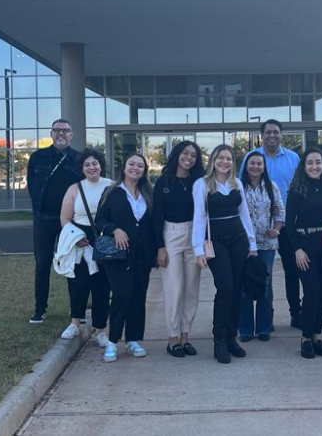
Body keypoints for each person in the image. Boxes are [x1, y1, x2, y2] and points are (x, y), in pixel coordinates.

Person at [192, 144, 259, 364]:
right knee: (226, 287)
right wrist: (198, 249)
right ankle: (219, 339)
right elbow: (199, 217)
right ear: (213, 160)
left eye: (229, 159)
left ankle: (231, 337)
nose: (225, 162)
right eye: (220, 158)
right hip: (216, 241)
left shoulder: (236, 183)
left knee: (237, 289)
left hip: (238, 239)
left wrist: (252, 244)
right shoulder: (201, 184)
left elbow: (245, 215)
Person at [95, 153, 157, 362]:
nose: (136, 168)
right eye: (132, 164)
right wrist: (115, 229)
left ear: (144, 170)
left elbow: (153, 224)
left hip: (143, 254)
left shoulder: (148, 192)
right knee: (122, 295)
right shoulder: (112, 192)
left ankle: (133, 340)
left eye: (140, 165)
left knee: (138, 297)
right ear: (124, 167)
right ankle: (113, 342)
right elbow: (100, 220)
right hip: (119, 255)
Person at [241, 119, 301, 329]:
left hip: (286, 223)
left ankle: (296, 313)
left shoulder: (293, 158)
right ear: (262, 135)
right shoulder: (252, 157)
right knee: (256, 274)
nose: (272, 135)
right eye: (268, 132)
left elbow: (300, 190)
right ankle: (267, 319)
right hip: (254, 232)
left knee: (292, 270)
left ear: (281, 134)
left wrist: (280, 225)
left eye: (276, 132)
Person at [153, 141, 205, 358]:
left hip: (194, 235)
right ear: (177, 154)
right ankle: (172, 337)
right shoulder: (163, 181)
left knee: (191, 290)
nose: (189, 158)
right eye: (186, 153)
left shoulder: (199, 182)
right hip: (172, 234)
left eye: (194, 155)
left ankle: (185, 336)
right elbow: (156, 216)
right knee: (174, 288)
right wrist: (160, 247)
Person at [285, 147, 322, 359]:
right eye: (310, 163)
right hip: (304, 247)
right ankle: (305, 337)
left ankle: (317, 335)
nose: (314, 166)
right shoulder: (297, 191)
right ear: (303, 166)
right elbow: (289, 224)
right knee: (312, 292)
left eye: (318, 162)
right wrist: (297, 249)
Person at [27, 118, 80, 324]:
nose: (61, 134)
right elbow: (32, 185)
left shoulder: (78, 159)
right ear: (51, 134)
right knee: (42, 264)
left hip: (70, 221)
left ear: (71, 135)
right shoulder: (38, 157)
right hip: (43, 219)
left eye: (65, 131)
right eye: (57, 130)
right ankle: (40, 309)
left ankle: (76, 310)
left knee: (72, 264)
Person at [58, 149, 112, 347]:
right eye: (87, 164)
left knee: (102, 286)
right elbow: (64, 218)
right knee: (78, 283)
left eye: (95, 163)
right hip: (80, 239)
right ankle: (75, 322)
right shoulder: (74, 189)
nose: (92, 167)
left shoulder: (111, 185)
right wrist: (76, 237)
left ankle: (100, 330)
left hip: (104, 237)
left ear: (101, 165)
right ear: (82, 168)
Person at [238, 151, 285, 342]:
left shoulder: (271, 187)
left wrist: (276, 229)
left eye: (259, 163)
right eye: (252, 163)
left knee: (265, 283)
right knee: (244, 285)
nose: (256, 166)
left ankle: (264, 327)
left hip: (266, 244)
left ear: (264, 167)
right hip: (242, 244)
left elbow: (279, 210)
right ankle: (246, 329)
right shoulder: (238, 186)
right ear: (246, 166)